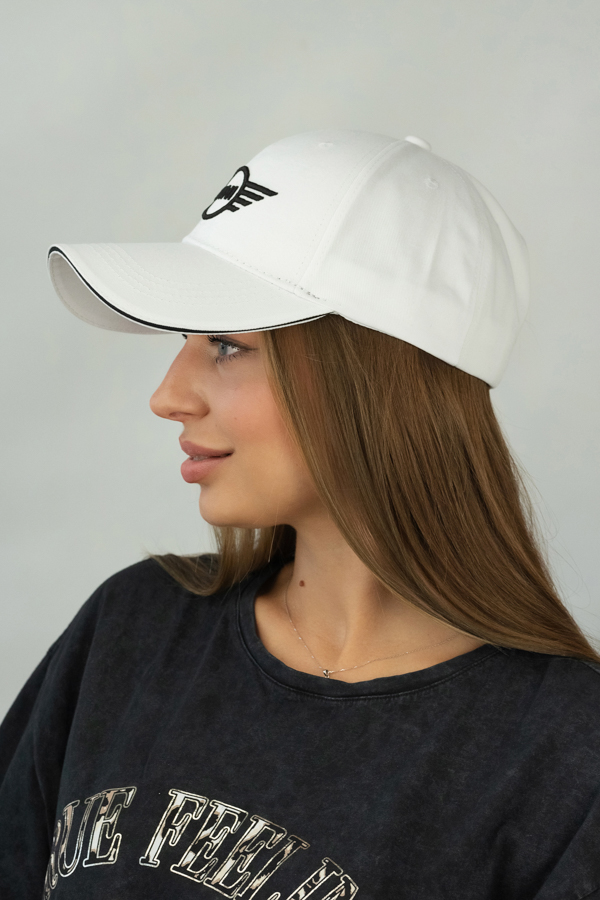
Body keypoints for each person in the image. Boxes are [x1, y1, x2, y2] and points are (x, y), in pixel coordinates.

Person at [1, 129, 599, 900]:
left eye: (226, 344)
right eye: (188, 338)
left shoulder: (566, 758)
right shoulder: (133, 630)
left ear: (375, 376)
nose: (167, 395)